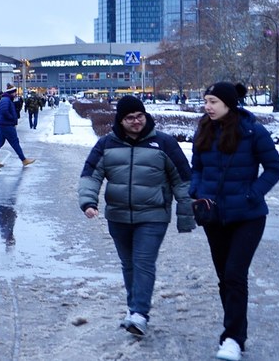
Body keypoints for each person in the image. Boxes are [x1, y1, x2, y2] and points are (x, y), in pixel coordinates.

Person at [78, 95, 194, 338]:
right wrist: (88, 202)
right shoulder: (106, 144)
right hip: (118, 216)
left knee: (143, 262)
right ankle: (134, 310)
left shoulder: (163, 143)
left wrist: (186, 215)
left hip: (153, 216)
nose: (136, 121)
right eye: (129, 118)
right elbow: (91, 175)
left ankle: (140, 313)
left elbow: (183, 179)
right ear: (120, 121)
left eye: (139, 116)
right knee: (129, 264)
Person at [191, 82, 279, 361]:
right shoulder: (203, 129)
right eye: (206, 100)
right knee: (224, 278)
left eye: (213, 101)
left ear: (229, 104)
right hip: (213, 216)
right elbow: (197, 167)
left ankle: (232, 339)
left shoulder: (253, 131)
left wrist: (252, 194)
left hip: (248, 217)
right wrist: (196, 190)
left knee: (234, 274)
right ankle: (234, 332)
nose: (207, 106)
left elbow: (274, 168)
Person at [0, 85, 34, 167]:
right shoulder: (6, 100)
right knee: (15, 142)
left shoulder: (6, 99)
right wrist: (11, 118)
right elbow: (4, 111)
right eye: (14, 92)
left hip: (4, 124)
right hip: (7, 124)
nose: (15, 94)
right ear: (11, 92)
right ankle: (24, 160)